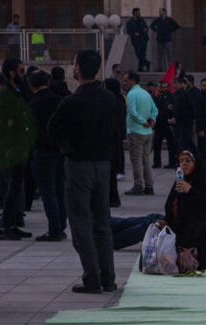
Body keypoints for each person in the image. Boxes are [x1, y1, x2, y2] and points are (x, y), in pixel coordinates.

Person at [47, 48, 119, 294]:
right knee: (102, 222)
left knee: (81, 223)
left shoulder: (72, 102)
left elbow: (52, 129)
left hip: (78, 165)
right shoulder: (110, 98)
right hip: (102, 165)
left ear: (77, 69)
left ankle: (92, 277)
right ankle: (108, 276)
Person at [163, 150, 206, 270]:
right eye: (181, 161)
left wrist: (191, 190)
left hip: (204, 229)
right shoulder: (181, 180)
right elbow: (170, 206)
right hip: (184, 226)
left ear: (196, 163)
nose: (184, 164)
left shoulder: (205, 178)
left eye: (188, 161)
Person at [0, 60, 35, 241]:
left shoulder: (18, 90)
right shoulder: (6, 94)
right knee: (13, 185)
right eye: (20, 71)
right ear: (11, 73)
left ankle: (12, 222)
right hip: (12, 144)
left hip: (21, 142)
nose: (23, 74)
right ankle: (5, 226)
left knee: (17, 185)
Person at [27, 70, 67, 241]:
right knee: (59, 190)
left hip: (42, 151)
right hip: (59, 149)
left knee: (47, 192)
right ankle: (61, 223)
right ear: (48, 82)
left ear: (31, 85)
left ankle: (55, 228)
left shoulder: (32, 104)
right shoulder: (59, 101)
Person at [123, 71, 159, 196]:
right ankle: (149, 186)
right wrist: (152, 121)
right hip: (148, 132)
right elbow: (155, 109)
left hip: (136, 131)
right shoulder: (145, 93)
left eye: (126, 80)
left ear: (133, 81)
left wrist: (143, 122)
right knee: (146, 160)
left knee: (136, 161)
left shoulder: (132, 93)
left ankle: (138, 185)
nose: (125, 83)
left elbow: (132, 111)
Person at [101, 77, 125, 208]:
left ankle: (112, 197)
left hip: (111, 139)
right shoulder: (120, 99)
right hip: (117, 138)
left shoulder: (111, 101)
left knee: (109, 172)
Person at [126, 8, 151, 72]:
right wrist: (134, 34)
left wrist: (145, 30)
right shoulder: (130, 22)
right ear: (134, 13)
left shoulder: (142, 20)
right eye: (138, 12)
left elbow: (146, 28)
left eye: (139, 12)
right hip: (136, 40)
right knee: (138, 54)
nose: (139, 13)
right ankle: (146, 63)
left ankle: (140, 68)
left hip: (143, 39)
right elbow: (128, 31)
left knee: (143, 54)